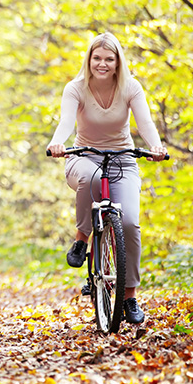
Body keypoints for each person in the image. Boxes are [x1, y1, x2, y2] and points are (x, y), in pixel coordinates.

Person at [46, 32, 167, 324]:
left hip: (122, 159)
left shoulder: (131, 88)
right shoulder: (75, 88)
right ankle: (81, 238)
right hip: (84, 157)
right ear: (89, 60)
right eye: (96, 58)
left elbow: (145, 122)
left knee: (128, 222)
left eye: (108, 59)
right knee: (90, 178)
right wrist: (57, 143)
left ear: (117, 63)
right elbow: (65, 121)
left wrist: (156, 146)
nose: (102, 64)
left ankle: (129, 297)